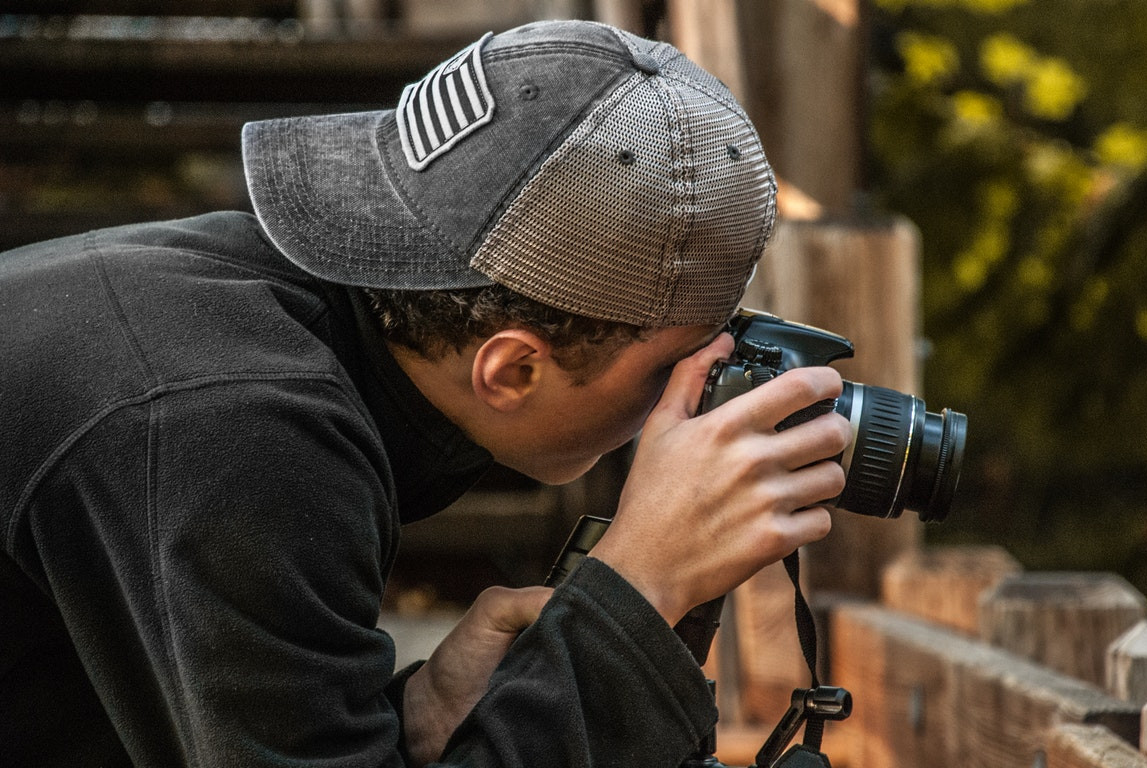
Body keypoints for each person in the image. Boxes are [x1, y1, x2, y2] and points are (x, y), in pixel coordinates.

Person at [0, 19, 851, 767]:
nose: (695, 399)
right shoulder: (229, 432)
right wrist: (638, 588)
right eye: (676, 366)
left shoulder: (240, 318)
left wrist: (413, 715)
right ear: (512, 369)